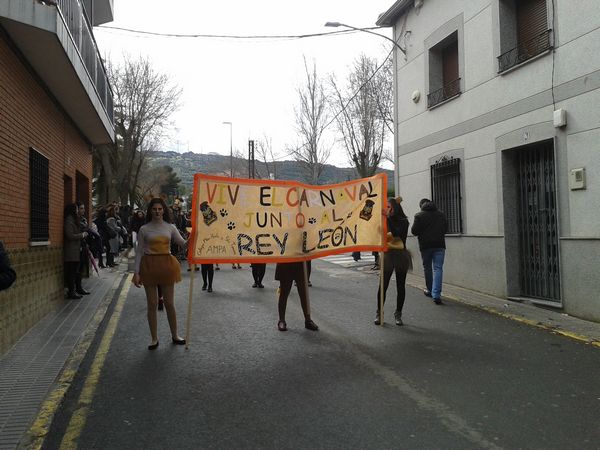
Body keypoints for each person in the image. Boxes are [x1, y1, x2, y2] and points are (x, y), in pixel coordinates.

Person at [132, 198, 187, 350]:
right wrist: (136, 273)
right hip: (149, 266)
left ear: (164, 210)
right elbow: (139, 252)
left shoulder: (171, 227)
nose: (157, 211)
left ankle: (175, 335)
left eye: (160, 209)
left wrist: (195, 235)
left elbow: (183, 244)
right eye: (154, 209)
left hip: (167, 266)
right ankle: (154, 339)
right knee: (152, 304)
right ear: (150, 211)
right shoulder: (144, 229)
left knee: (169, 303)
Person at [374, 197, 411, 326]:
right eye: (386, 207)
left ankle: (398, 313)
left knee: (400, 286)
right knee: (383, 285)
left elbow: (397, 235)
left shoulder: (404, 221)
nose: (387, 209)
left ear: (395, 207)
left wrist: (387, 218)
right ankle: (379, 312)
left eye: (389, 207)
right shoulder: (384, 220)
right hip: (388, 254)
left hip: (400, 255)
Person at [411, 198, 448, 305]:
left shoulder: (419, 215)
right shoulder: (441, 214)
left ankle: (430, 290)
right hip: (439, 245)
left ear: (421, 206)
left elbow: (414, 231)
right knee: (438, 269)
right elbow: (445, 229)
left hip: (425, 246)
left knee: (427, 268)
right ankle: (436, 294)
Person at [274, 262, 318, 332]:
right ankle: (281, 320)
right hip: (286, 262)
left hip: (301, 263)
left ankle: (308, 320)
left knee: (304, 293)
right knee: (284, 292)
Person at [64, 203, 88, 299]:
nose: (78, 211)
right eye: (77, 209)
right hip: (71, 251)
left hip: (76, 250)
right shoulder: (69, 221)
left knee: (75, 271)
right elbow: (70, 235)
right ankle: (71, 292)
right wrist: (82, 235)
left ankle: (74, 290)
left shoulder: (74, 220)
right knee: (71, 272)